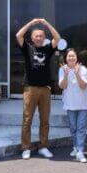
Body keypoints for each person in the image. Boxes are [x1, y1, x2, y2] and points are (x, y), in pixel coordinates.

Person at [16, 17, 61, 159]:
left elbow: (57, 38)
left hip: (45, 89)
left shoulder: (48, 49)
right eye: (36, 35)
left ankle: (43, 146)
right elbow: (18, 35)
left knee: (45, 119)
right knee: (27, 119)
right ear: (32, 37)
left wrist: (46, 23)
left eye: (41, 36)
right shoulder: (27, 48)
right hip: (30, 88)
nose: (39, 38)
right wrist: (31, 23)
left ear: (44, 37)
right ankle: (26, 147)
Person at [58, 48, 87, 163]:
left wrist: (77, 74)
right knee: (73, 128)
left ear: (77, 57)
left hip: (83, 104)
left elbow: (83, 86)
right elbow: (62, 86)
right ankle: (75, 147)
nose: (71, 58)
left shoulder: (83, 69)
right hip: (70, 103)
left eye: (73, 56)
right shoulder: (63, 70)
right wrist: (66, 74)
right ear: (66, 58)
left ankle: (80, 151)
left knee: (81, 128)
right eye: (69, 56)